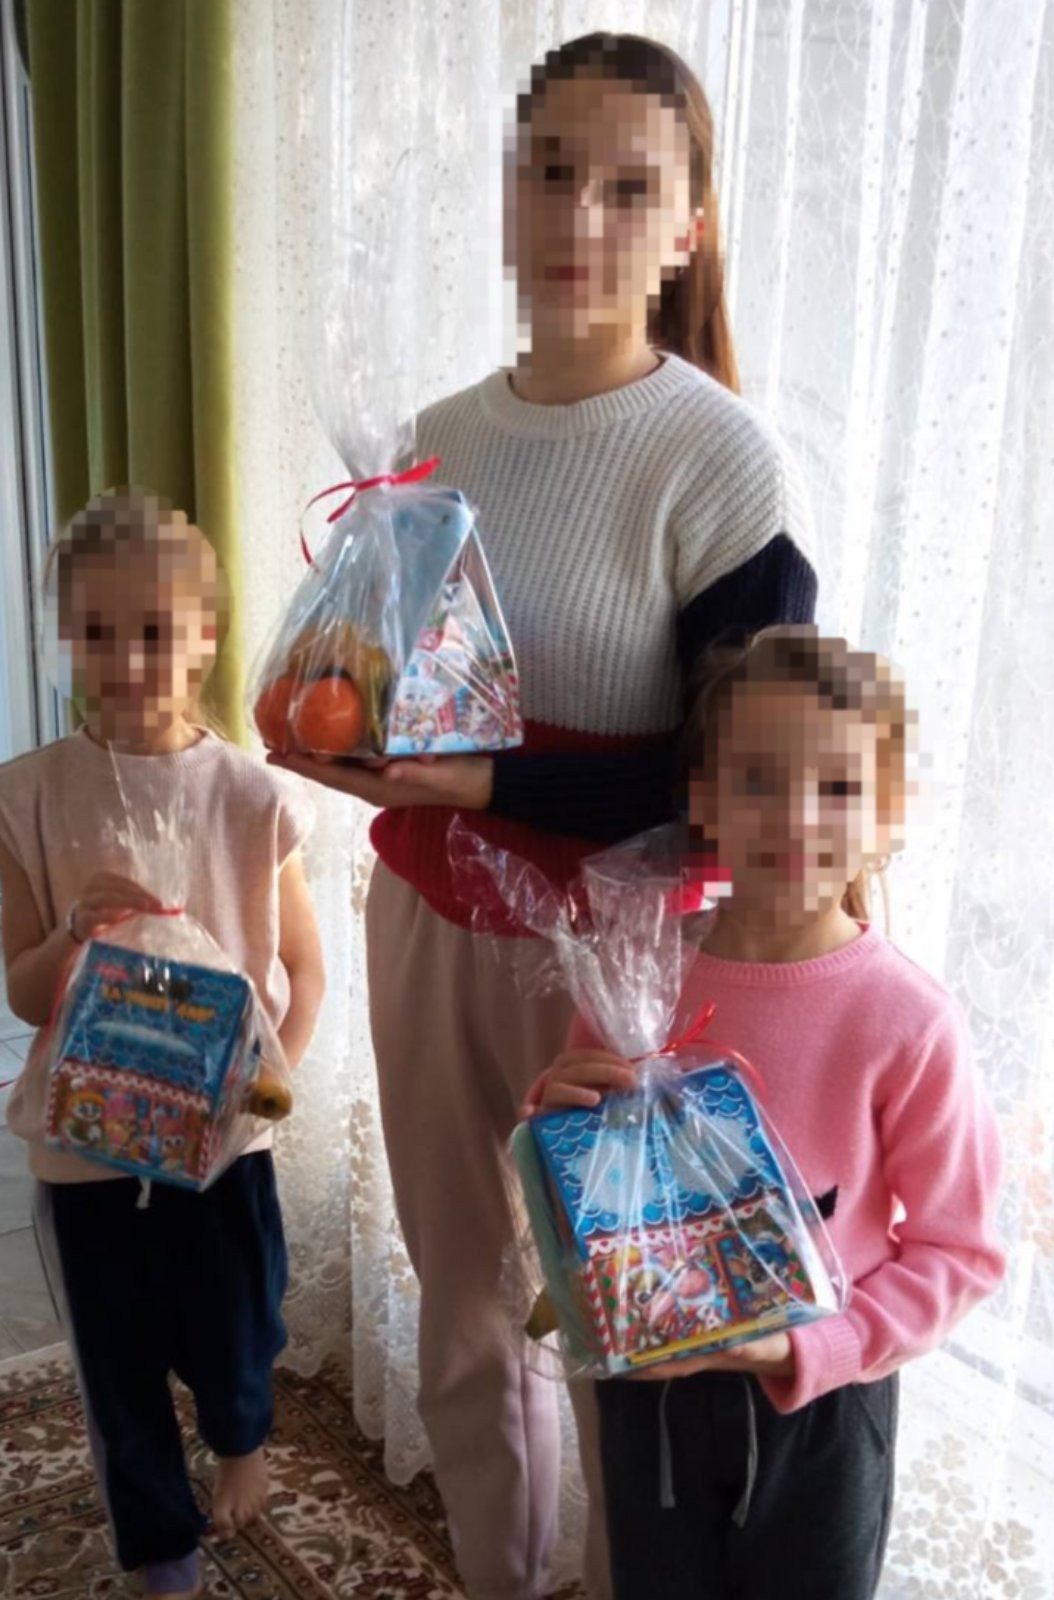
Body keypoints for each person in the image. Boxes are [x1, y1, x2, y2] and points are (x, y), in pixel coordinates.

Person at [274, 34, 817, 1600]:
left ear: (686, 230)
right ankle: (497, 1575)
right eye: (551, 174)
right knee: (459, 1301)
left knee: (621, 1327)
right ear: (507, 196)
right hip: (426, 919)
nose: (580, 217)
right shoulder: (427, 443)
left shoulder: (719, 464)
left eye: (628, 188)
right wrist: (324, 712)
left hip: (619, 963)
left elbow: (738, 781)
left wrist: (491, 782)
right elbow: (374, 677)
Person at [535, 626, 1005, 1600]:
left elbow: (961, 1253)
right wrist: (556, 1109)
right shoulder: (638, 972)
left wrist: (810, 1347)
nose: (795, 815)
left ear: (887, 817)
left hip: (824, 1401)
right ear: (703, 799)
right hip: (654, 1387)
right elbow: (580, 1146)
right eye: (758, 780)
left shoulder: (905, 1018)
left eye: (837, 787)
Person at [0, 490, 325, 1600]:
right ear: (66, 639)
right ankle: (159, 1545)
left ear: (205, 636)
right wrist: (69, 934)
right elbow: (24, 987)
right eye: (98, 632)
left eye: (154, 630)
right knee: (116, 1362)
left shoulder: (253, 795)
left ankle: (242, 1437)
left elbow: (303, 968)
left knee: (239, 1322)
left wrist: (275, 1081)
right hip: (83, 1143)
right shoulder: (27, 798)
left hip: (224, 1139)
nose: (129, 660)